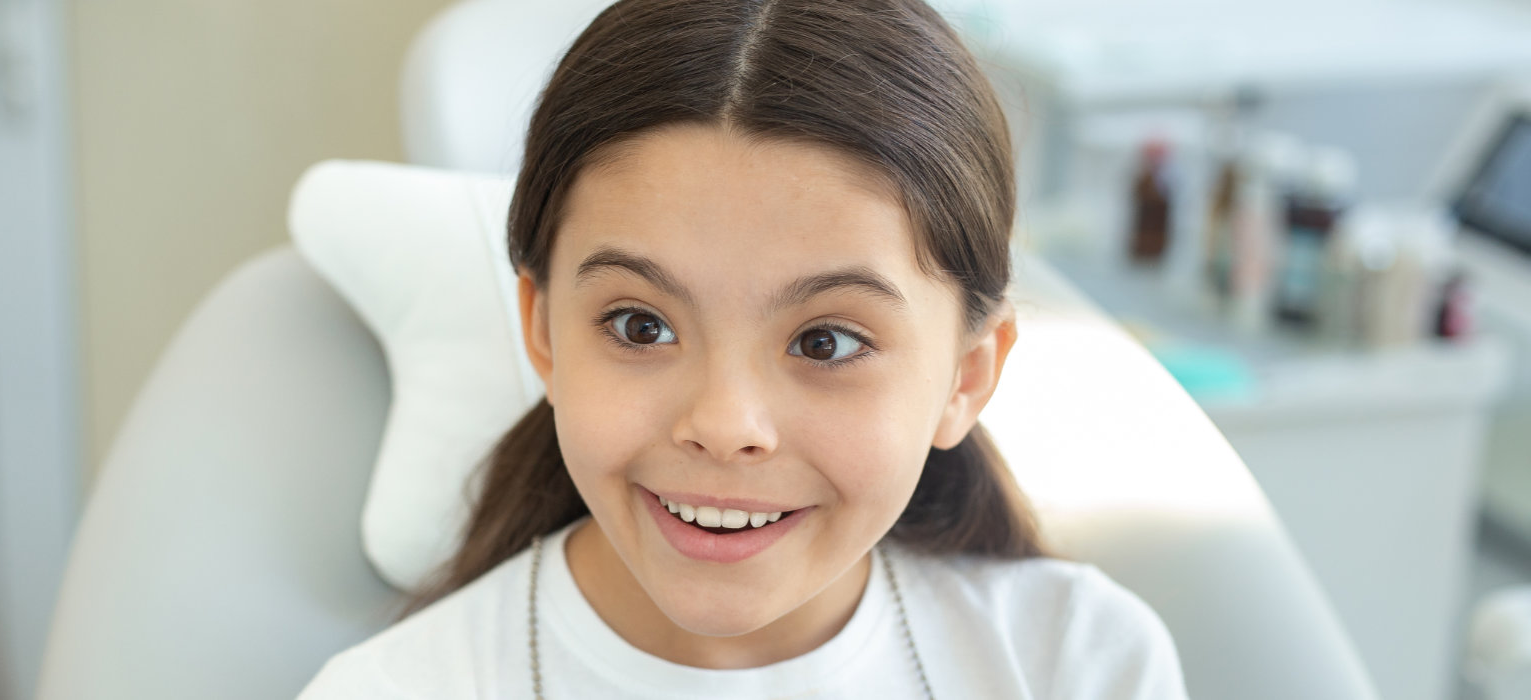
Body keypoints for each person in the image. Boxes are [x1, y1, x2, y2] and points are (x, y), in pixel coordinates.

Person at [300, 0, 1187, 696]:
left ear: (966, 375)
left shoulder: (1078, 665)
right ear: (542, 330)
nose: (724, 426)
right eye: (640, 326)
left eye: (826, 341)